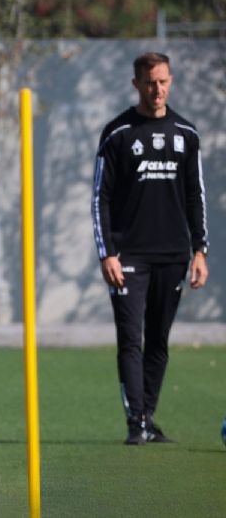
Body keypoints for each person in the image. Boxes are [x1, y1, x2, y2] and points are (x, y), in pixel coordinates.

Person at [91, 52, 208, 445]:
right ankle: (134, 423)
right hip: (129, 257)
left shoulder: (186, 135)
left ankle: (148, 417)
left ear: (170, 81)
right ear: (136, 85)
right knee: (131, 338)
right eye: (149, 83)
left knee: (158, 341)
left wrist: (200, 250)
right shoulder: (117, 133)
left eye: (162, 82)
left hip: (173, 255)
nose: (157, 90)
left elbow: (195, 196)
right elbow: (100, 198)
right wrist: (107, 252)